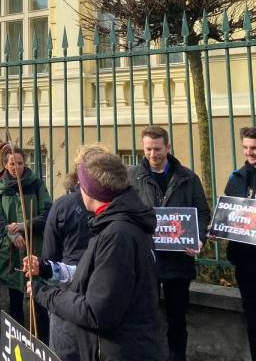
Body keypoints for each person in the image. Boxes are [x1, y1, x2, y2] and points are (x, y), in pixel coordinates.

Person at [31, 147, 164, 361]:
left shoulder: (117, 234)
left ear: (91, 189)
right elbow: (95, 279)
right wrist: (48, 270)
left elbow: (97, 312)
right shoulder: (116, 224)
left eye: (81, 184)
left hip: (120, 350)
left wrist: (45, 294)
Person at [128, 126, 211, 361]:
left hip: (178, 262)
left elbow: (202, 212)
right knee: (145, 317)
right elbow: (124, 211)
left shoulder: (188, 177)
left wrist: (198, 239)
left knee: (177, 319)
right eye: (147, 149)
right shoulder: (132, 177)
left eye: (157, 149)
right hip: (146, 260)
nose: (152, 154)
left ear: (168, 147)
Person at [39, 146, 101, 361]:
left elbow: (49, 256)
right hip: (93, 294)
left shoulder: (63, 205)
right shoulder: (117, 207)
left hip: (69, 296)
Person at [0, 143, 52, 332]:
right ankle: (17, 341)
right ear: (5, 164)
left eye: (20, 163)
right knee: (14, 302)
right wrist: (12, 234)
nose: (16, 167)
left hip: (34, 247)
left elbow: (47, 213)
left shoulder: (36, 184)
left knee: (37, 298)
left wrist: (24, 225)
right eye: (12, 164)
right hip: (10, 253)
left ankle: (42, 341)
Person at [224, 127, 256, 360]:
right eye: (245, 147)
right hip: (246, 262)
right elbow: (227, 214)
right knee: (253, 320)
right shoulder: (236, 177)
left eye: (254, 148)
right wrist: (219, 227)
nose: (249, 152)